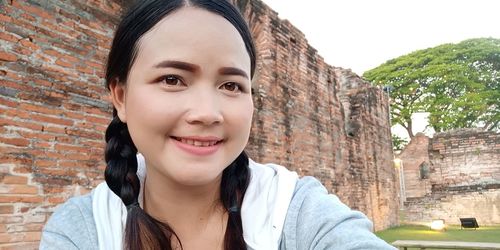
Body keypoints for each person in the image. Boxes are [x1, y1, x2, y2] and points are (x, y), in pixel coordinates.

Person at [40, 0, 396, 249]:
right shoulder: (82, 229)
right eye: (172, 79)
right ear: (120, 96)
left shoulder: (297, 211)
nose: (208, 113)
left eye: (231, 85)